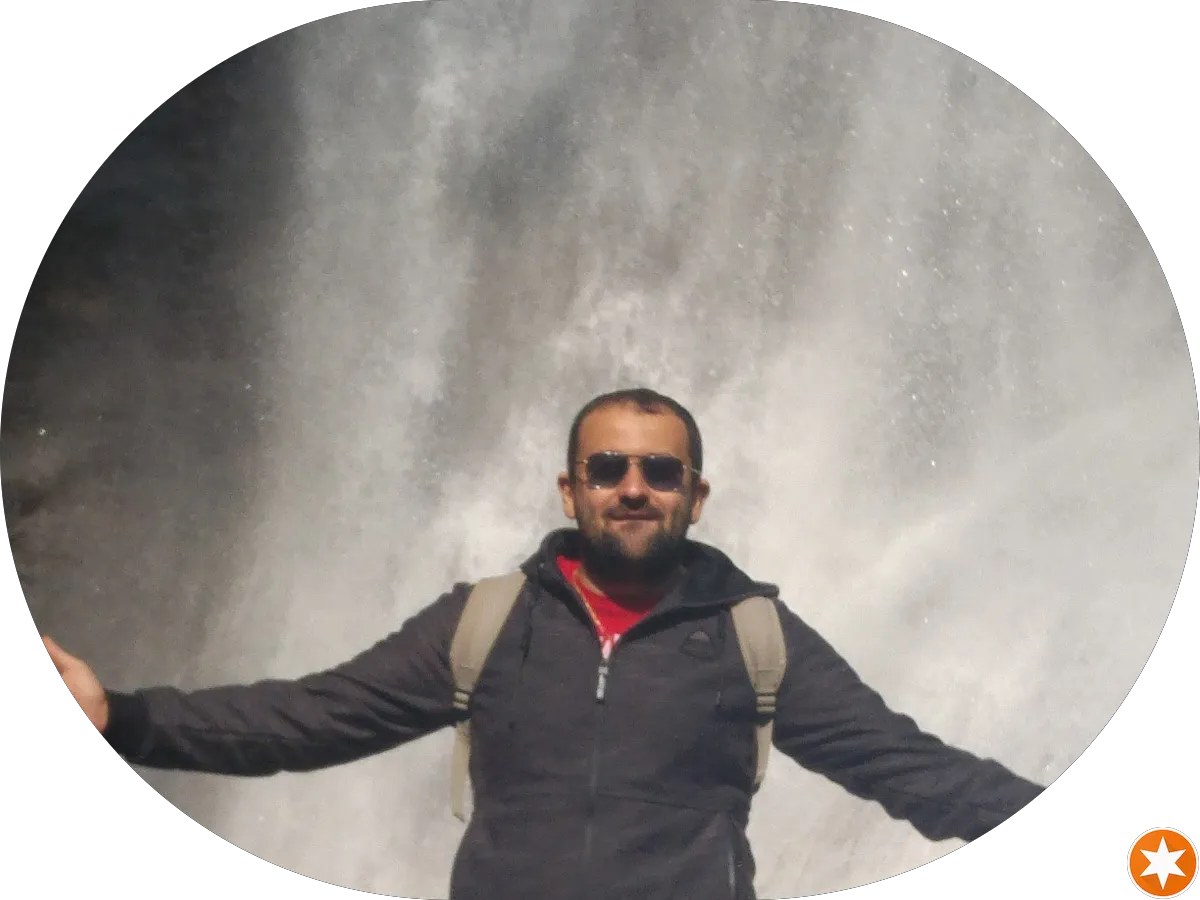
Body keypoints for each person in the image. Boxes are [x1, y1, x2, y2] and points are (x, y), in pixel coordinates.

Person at [43, 387, 1043, 900]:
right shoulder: (485, 621)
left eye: (660, 471)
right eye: (608, 468)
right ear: (571, 490)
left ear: (697, 496)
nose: (633, 487)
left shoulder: (754, 635)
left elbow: (910, 769)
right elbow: (310, 717)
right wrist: (121, 717)